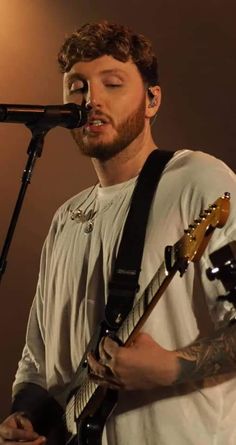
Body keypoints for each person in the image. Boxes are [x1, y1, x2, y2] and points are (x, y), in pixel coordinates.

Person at [0, 20, 236, 445]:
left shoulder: (198, 180)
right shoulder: (66, 218)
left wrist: (171, 366)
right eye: (77, 87)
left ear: (151, 100)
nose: (91, 101)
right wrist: (25, 417)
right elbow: (37, 361)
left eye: (112, 84)